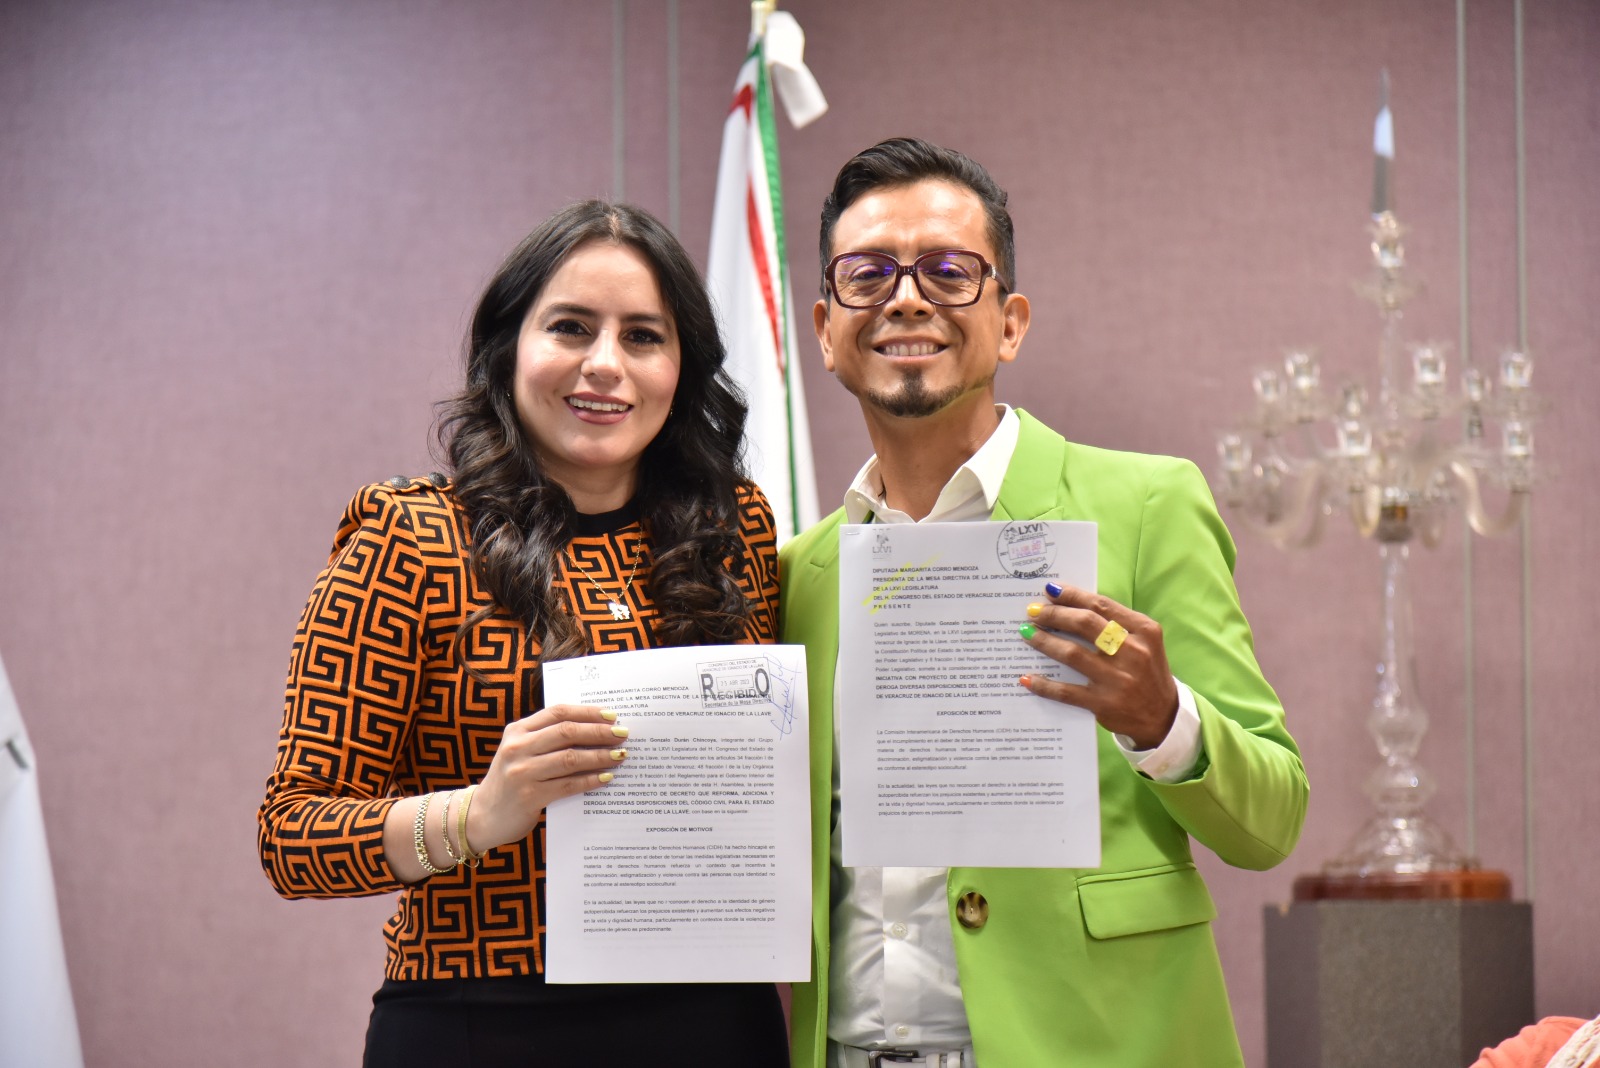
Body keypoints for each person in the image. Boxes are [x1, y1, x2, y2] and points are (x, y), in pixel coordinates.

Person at [778, 138, 1309, 1068]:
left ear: (1011, 323)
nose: (907, 299)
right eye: (868, 275)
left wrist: (1165, 722)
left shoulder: (1146, 506)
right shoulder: (800, 576)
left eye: (949, 271)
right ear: (826, 331)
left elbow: (1272, 823)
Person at [258, 201, 789, 1068]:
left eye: (643, 336)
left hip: (717, 1019)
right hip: (481, 1021)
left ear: (683, 367)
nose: (605, 364)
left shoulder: (737, 530)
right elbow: (292, 838)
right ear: (508, 349)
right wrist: (478, 813)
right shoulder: (408, 537)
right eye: (571, 327)